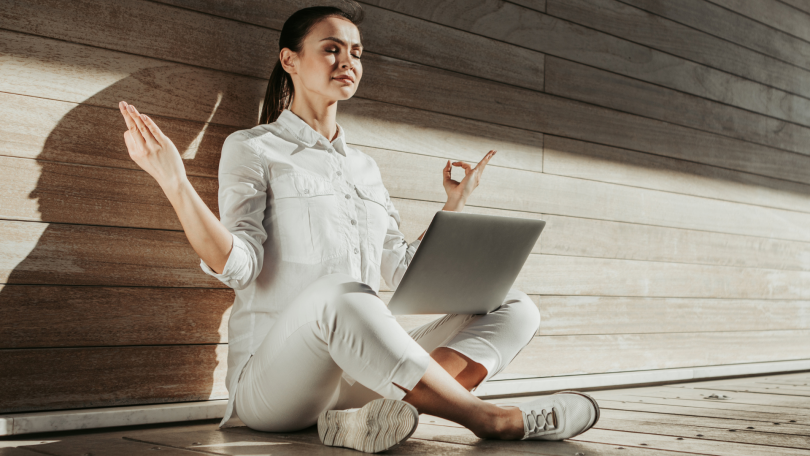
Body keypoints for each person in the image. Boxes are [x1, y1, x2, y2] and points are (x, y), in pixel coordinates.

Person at [117, 2, 599, 453]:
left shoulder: (364, 168)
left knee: (514, 304)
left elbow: (400, 270)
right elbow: (239, 265)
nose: (347, 60)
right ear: (290, 59)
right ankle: (488, 418)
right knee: (342, 293)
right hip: (274, 389)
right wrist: (174, 180)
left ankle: (369, 416)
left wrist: (453, 207)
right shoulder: (253, 147)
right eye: (331, 48)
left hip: (359, 377)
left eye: (356, 52)